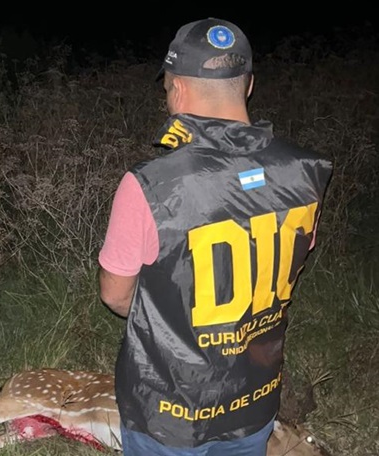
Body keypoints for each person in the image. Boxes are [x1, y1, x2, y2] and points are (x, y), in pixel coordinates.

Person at [97, 17, 333, 456]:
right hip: (254, 401)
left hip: (168, 412)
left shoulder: (150, 185)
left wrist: (172, 321)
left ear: (176, 89)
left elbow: (115, 294)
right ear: (248, 85)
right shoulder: (306, 171)